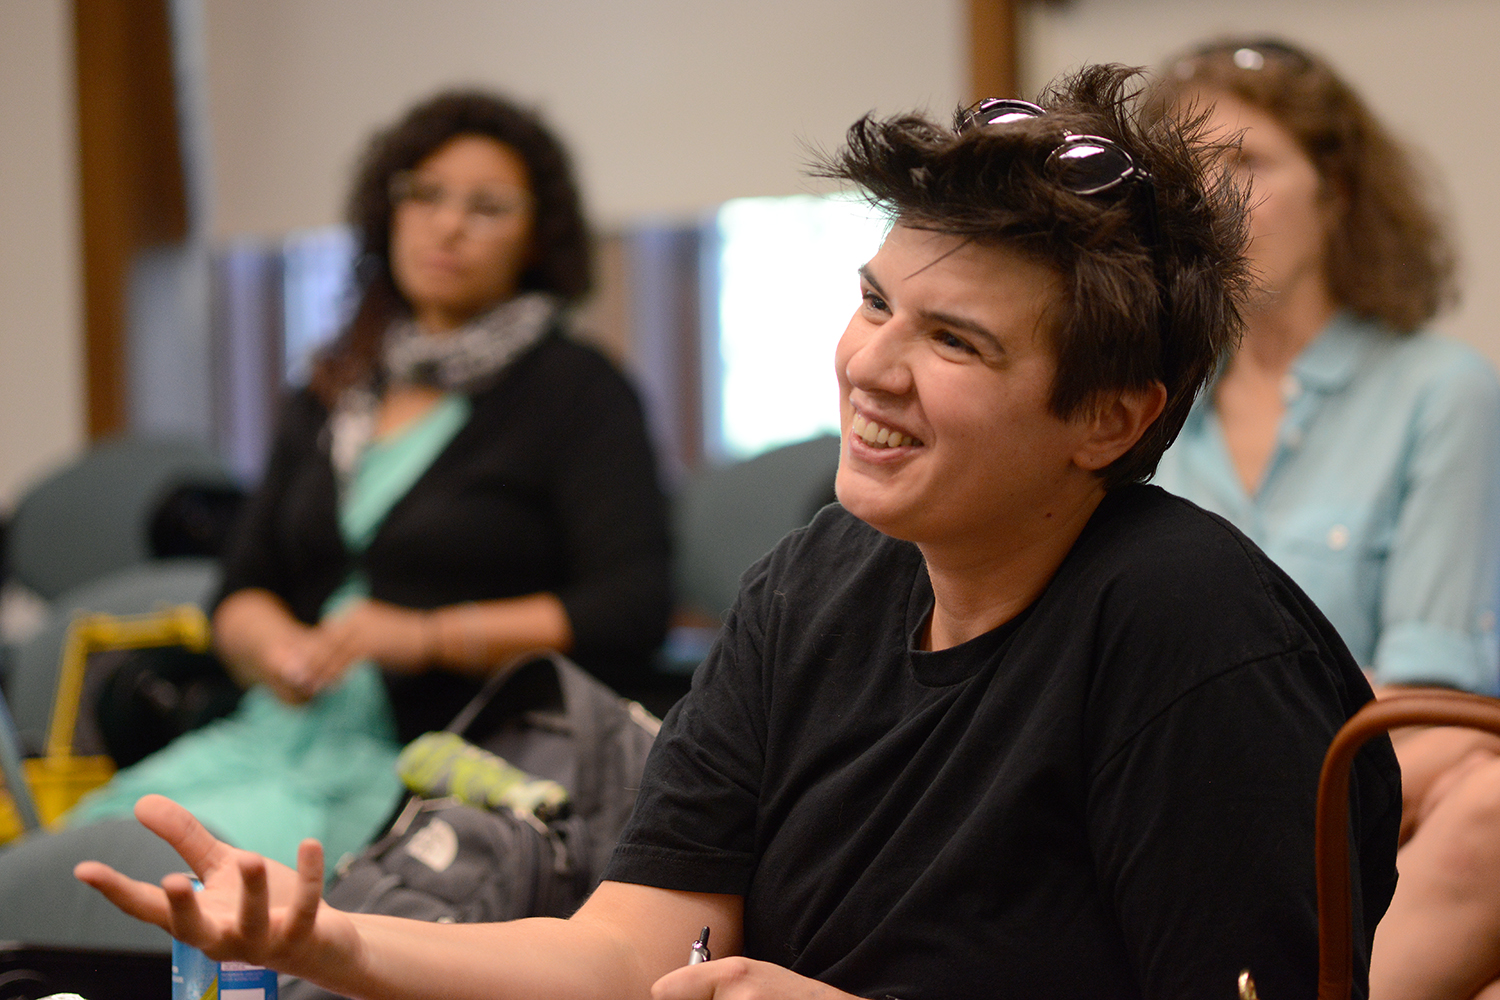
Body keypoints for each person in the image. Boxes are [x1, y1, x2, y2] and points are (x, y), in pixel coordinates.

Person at [76, 64, 1401, 999]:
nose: (871, 366)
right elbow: (623, 953)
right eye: (875, 302)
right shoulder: (818, 576)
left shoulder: (1192, 638)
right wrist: (332, 946)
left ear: (1109, 420)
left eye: (952, 340)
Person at [61, 89, 673, 868]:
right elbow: (244, 584)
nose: (447, 224)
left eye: (487, 207)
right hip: (271, 735)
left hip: (441, 755)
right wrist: (273, 648)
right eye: (424, 194)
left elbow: (628, 607)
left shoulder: (577, 389)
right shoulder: (336, 387)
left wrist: (426, 637)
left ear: (537, 238)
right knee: (78, 862)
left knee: (208, 895)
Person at [1150, 38, 1500, 1000]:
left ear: (1337, 192)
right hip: (1166, 783)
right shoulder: (1146, 401)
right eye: (1195, 171)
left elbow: (1436, 706)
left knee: (1492, 793)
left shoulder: (1444, 394)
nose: (1216, 199)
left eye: (1250, 164)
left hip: (1363, 791)